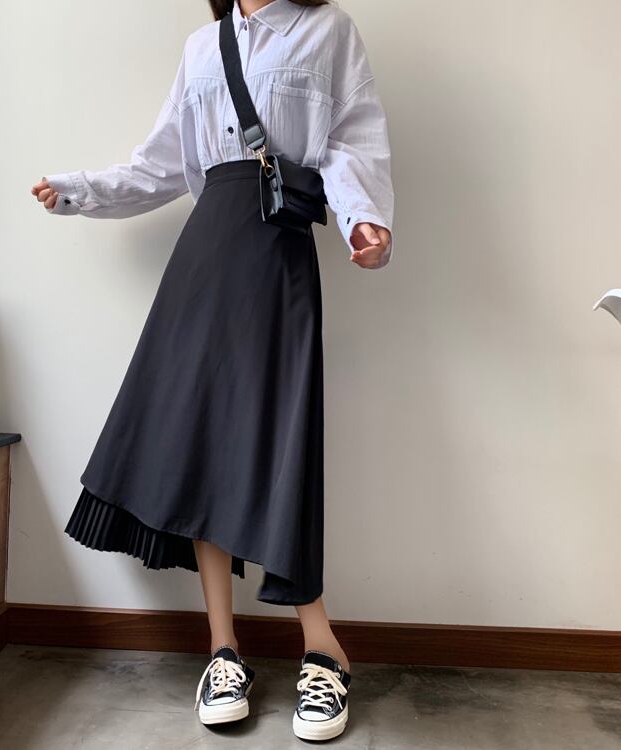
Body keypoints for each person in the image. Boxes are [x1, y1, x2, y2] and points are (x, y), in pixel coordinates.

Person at [31, 0, 393, 741]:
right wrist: (78, 190)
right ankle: (222, 650)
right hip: (203, 258)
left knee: (281, 440)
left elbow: (352, 139)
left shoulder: (327, 30)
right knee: (202, 440)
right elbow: (162, 163)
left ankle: (322, 646)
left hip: (279, 252)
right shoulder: (204, 45)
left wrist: (366, 218)